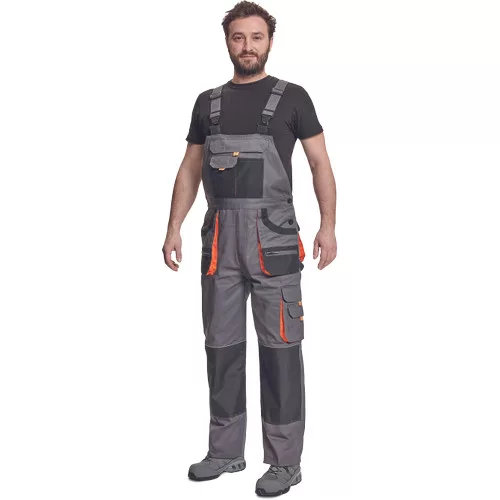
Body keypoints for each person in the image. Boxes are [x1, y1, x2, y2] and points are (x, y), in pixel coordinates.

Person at [162, 1, 337, 496]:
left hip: (273, 241)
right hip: (219, 243)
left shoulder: (293, 98)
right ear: (227, 42)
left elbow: (320, 164)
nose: (247, 46)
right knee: (221, 349)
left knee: (280, 351)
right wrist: (173, 226)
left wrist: (328, 226)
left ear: (269, 42)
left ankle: (284, 462)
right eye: (238, 37)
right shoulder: (207, 103)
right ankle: (225, 451)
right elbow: (190, 168)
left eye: (256, 37)